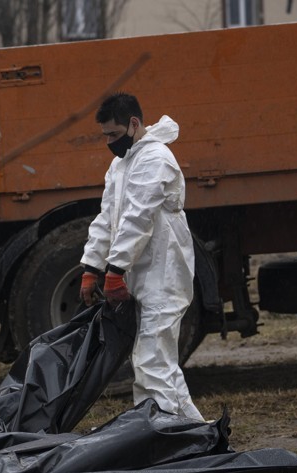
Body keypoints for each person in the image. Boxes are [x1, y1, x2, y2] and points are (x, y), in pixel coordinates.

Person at [79, 93, 204, 421]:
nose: (109, 142)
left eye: (114, 135)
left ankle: (159, 436)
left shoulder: (155, 159)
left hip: (164, 274)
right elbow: (108, 217)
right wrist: (92, 266)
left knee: (151, 360)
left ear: (134, 124)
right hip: (145, 273)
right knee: (161, 360)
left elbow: (138, 217)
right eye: (105, 135)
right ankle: (193, 431)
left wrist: (115, 269)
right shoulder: (122, 164)